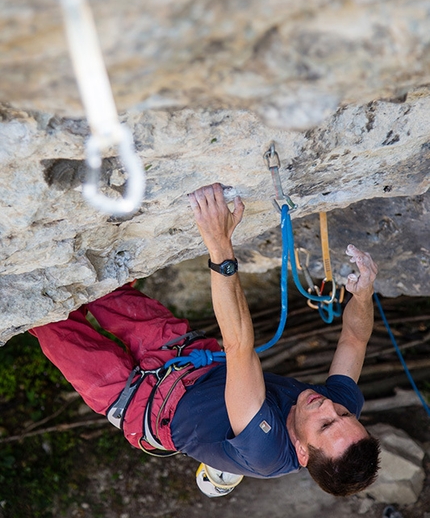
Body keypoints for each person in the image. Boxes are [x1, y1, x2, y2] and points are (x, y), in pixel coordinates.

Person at [30, 183, 380, 497]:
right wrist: (363, 297)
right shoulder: (340, 419)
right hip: (187, 356)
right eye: (344, 412)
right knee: (104, 286)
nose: (329, 405)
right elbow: (354, 339)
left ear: (302, 452)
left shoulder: (265, 449)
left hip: (140, 402)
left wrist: (219, 244)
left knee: (47, 314)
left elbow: (240, 346)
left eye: (325, 423)